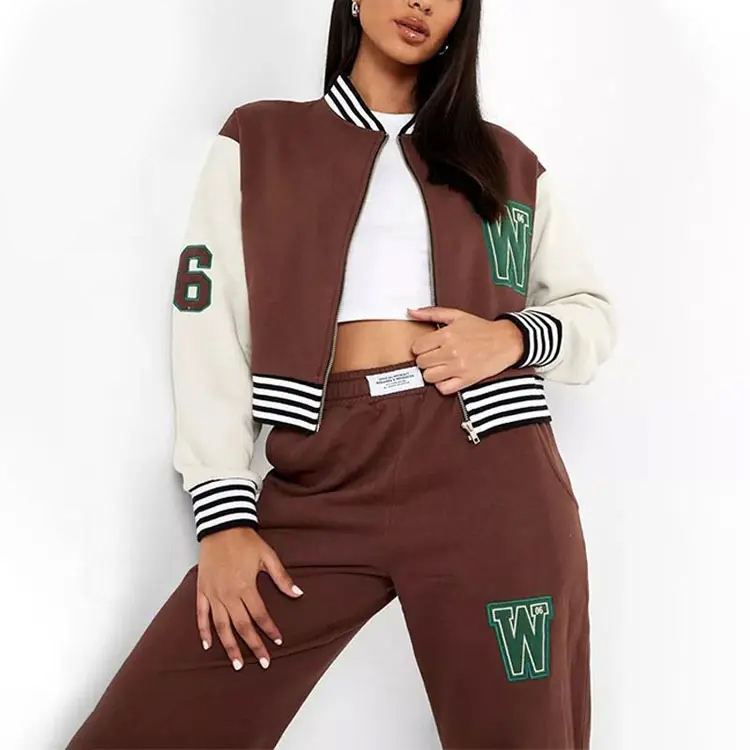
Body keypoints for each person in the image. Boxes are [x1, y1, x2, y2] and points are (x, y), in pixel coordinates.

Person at [67, 0, 616, 747]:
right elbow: (207, 323)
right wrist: (223, 517)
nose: (421, 2)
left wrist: (510, 338)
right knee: (146, 727)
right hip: (321, 474)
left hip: (492, 475)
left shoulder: (505, 163)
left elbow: (592, 314)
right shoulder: (261, 140)